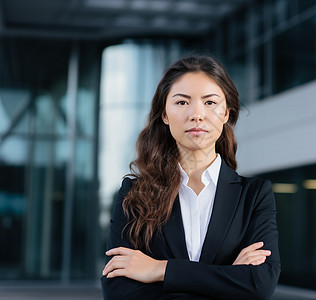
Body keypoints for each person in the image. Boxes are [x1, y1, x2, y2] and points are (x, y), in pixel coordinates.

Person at [101, 55, 280, 300]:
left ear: (226, 113)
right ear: (164, 114)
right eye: (182, 103)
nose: (197, 114)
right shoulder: (134, 194)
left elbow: (260, 286)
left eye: (210, 102)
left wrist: (159, 269)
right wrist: (228, 277)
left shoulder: (255, 195)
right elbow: (119, 292)